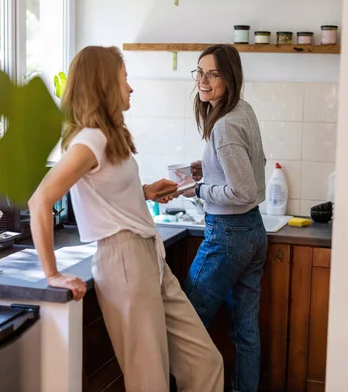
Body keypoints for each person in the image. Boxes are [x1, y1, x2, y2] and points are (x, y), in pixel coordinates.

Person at [28, 45, 224, 392]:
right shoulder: (88, 142)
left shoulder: (108, 137)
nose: (130, 88)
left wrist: (145, 191)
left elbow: (106, 191)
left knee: (206, 362)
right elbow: (40, 200)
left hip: (148, 256)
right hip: (124, 261)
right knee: (150, 382)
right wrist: (52, 274)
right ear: (104, 86)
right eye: (124, 79)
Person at [177, 44, 268, 392]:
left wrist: (199, 190)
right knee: (246, 331)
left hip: (228, 235)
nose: (203, 80)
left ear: (230, 78)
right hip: (253, 232)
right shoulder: (242, 110)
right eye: (199, 72)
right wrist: (209, 168)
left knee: (186, 319)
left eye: (212, 73)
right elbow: (244, 167)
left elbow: (241, 192)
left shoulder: (224, 126)